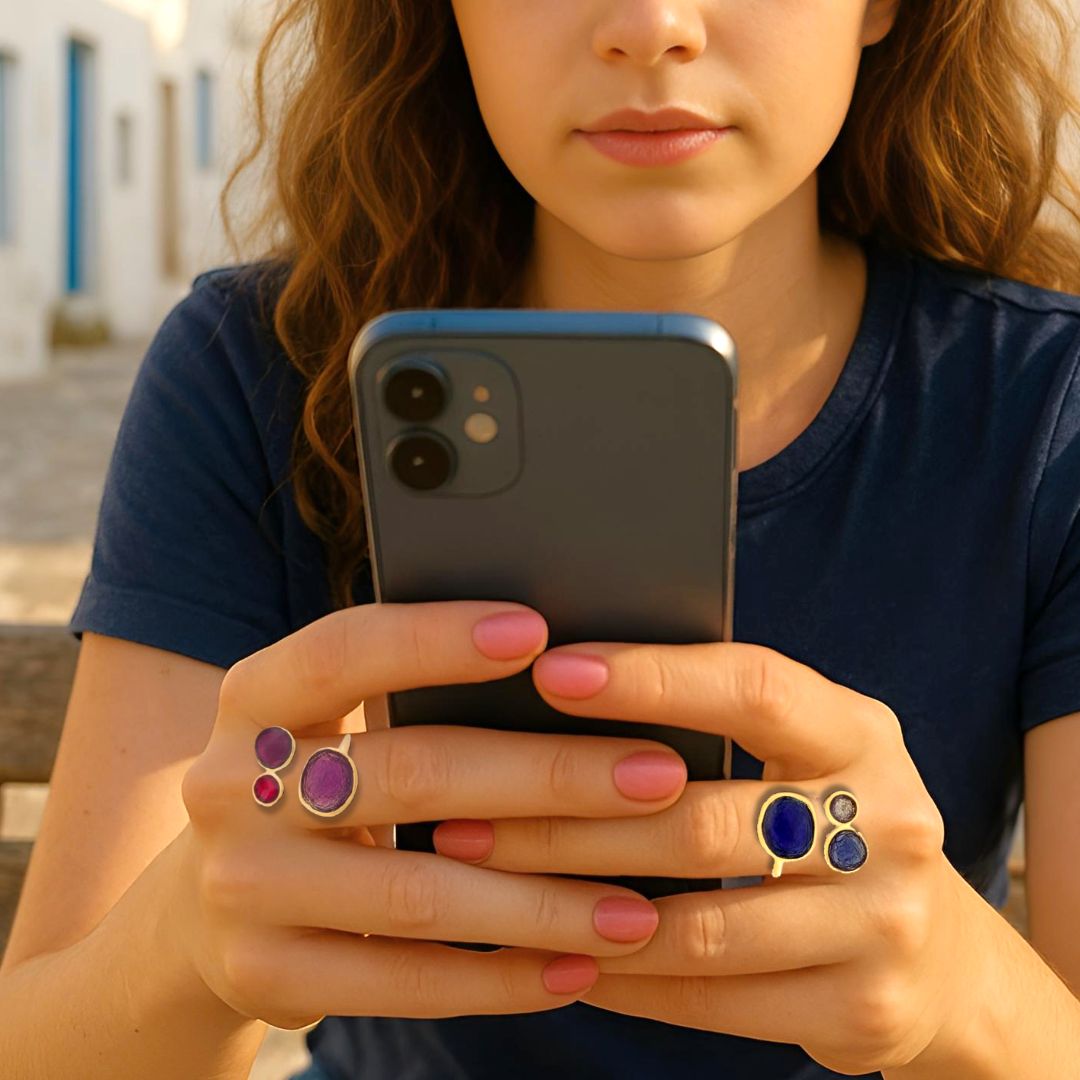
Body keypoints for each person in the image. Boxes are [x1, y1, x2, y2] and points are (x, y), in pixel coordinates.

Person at [2, 1, 1080, 1078]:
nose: (651, 27)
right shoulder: (260, 370)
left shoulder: (1047, 410)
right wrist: (188, 945)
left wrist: (959, 983)